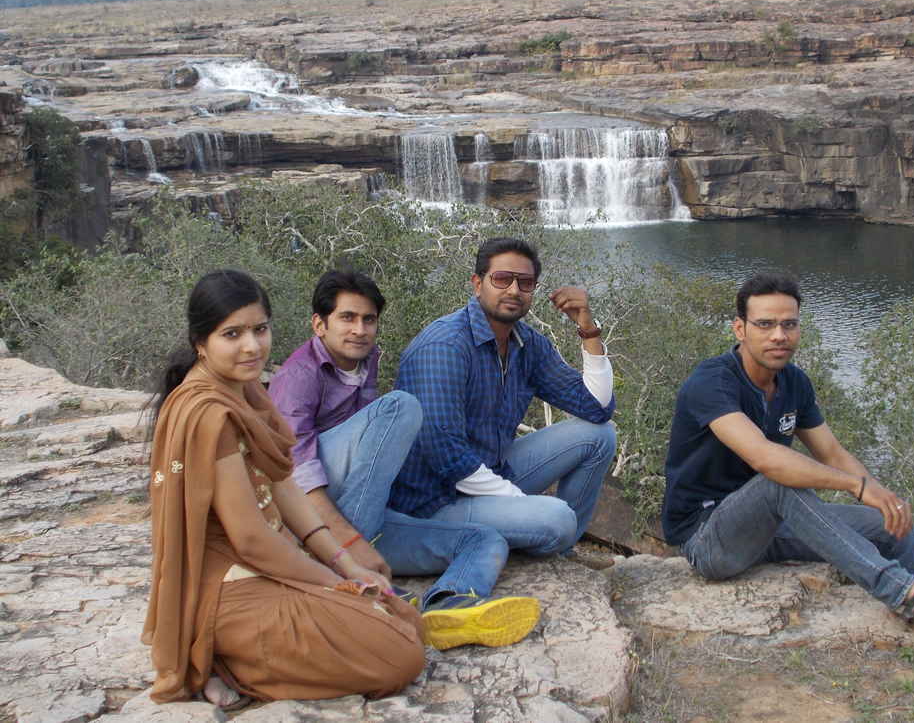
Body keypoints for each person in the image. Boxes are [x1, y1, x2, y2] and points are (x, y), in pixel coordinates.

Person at [142, 269, 425, 710]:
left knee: (402, 616)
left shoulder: (248, 391)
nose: (252, 346)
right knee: (399, 655)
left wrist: (347, 563)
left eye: (259, 329)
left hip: (269, 567)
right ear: (202, 341)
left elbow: (286, 486)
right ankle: (219, 656)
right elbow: (250, 539)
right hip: (229, 585)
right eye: (231, 334)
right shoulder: (208, 413)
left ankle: (241, 655)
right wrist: (334, 584)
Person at [662, 272, 914, 650]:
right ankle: (911, 597)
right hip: (707, 538)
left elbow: (832, 453)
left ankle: (907, 618)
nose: (779, 335)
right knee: (778, 484)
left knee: (893, 519)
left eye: (789, 324)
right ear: (740, 328)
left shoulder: (794, 383)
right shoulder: (713, 382)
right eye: (765, 324)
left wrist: (882, 495)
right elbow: (766, 459)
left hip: (770, 530)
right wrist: (855, 486)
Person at [268, 268, 539, 650]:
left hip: (366, 519)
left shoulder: (366, 363)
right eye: (347, 318)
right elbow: (297, 478)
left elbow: (372, 461)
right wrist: (349, 544)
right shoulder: (298, 376)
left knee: (485, 539)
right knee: (399, 407)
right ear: (319, 324)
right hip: (318, 529)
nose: (360, 329)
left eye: (368, 320)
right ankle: (355, 585)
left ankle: (450, 605)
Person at [390, 237, 617, 561]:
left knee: (600, 436)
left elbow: (597, 408)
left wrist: (588, 328)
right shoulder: (445, 346)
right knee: (556, 518)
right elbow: (445, 454)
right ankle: (531, 532)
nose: (514, 290)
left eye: (525, 282)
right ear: (477, 284)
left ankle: (559, 548)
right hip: (435, 501)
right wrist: (519, 504)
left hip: (490, 475)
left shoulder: (526, 344)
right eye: (502, 279)